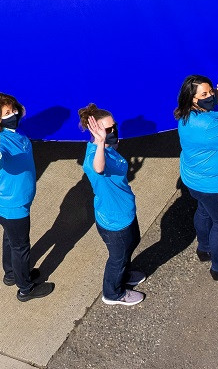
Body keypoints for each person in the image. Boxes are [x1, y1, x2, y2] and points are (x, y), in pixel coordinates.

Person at [0, 93, 52, 301]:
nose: (14, 115)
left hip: (6, 204)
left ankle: (11, 273)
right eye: (7, 113)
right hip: (13, 206)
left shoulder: (13, 133)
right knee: (21, 246)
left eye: (14, 110)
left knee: (10, 239)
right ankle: (25, 288)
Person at [175, 75, 218, 280]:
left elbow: (207, 106)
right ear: (193, 99)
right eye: (204, 94)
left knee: (204, 212)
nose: (210, 96)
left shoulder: (185, 115)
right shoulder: (209, 125)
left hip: (194, 179)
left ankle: (204, 248)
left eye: (211, 91)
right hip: (214, 186)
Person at [78, 104, 145, 305]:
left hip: (125, 212)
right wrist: (100, 143)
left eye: (114, 126)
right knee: (117, 258)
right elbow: (98, 168)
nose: (114, 131)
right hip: (115, 221)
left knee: (131, 244)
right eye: (108, 129)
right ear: (96, 133)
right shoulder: (94, 157)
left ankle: (124, 275)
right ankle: (113, 293)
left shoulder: (109, 147)